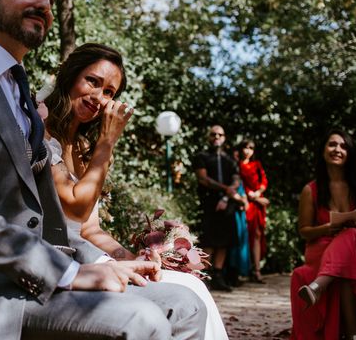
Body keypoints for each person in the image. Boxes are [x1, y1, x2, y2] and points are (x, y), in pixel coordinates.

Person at [0, 0, 207, 339]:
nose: (44, 4)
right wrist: (71, 273)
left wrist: (108, 262)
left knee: (185, 305)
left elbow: (48, 221)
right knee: (141, 320)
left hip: (38, 275)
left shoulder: (21, 95)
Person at [42, 43, 227, 340]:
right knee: (186, 296)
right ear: (69, 75)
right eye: (92, 81)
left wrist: (131, 256)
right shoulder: (39, 132)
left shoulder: (84, 147)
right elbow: (74, 208)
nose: (98, 97)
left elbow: (89, 228)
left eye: (109, 93)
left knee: (193, 287)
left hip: (87, 253)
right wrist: (107, 143)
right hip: (57, 260)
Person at [290, 128, 356, 340]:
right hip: (322, 247)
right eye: (332, 144)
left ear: (349, 153)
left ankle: (317, 286)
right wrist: (329, 228)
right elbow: (304, 232)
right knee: (346, 265)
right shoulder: (311, 190)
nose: (337, 149)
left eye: (343, 146)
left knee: (352, 236)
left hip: (354, 246)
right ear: (323, 151)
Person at [192, 125, 241, 292]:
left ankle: (218, 276)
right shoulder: (201, 156)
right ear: (208, 137)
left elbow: (236, 181)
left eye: (220, 134)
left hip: (227, 204)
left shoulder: (230, 160)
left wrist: (227, 196)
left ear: (224, 137)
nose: (216, 137)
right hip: (208, 203)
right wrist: (225, 189)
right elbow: (203, 179)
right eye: (213, 134)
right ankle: (204, 276)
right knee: (209, 241)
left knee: (224, 242)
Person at [236, 139, 269, 283]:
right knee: (243, 236)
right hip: (244, 203)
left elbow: (264, 182)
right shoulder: (237, 165)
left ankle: (257, 270)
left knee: (257, 235)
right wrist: (251, 196)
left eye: (250, 148)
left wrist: (257, 193)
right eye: (245, 147)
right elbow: (239, 184)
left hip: (257, 204)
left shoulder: (257, 164)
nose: (247, 150)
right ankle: (242, 270)